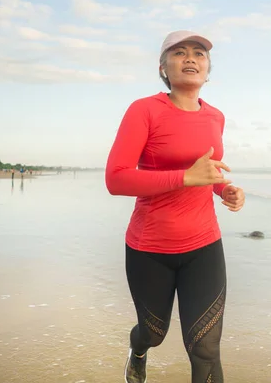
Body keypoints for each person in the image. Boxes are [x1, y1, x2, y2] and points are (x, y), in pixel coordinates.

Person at [105, 30, 246, 383]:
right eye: (179, 52)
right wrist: (185, 177)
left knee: (206, 350)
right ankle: (137, 351)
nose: (190, 58)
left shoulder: (215, 117)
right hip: (150, 248)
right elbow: (116, 179)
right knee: (154, 334)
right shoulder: (145, 110)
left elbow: (208, 173)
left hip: (204, 245)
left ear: (208, 69)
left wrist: (225, 189)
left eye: (199, 53)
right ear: (163, 68)